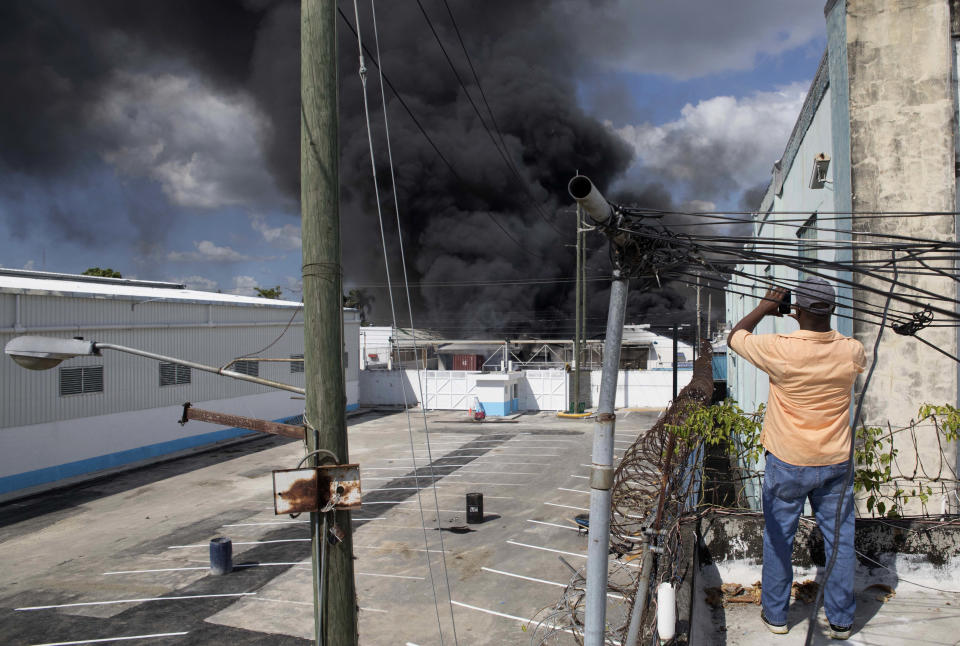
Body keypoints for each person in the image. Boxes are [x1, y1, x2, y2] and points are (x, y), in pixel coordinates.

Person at [727, 277, 865, 640]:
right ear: (832, 309)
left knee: (778, 538)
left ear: (796, 311)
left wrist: (765, 307)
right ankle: (841, 621)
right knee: (840, 541)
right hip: (835, 461)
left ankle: (776, 616)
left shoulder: (779, 348)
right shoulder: (852, 350)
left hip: (787, 460)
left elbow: (735, 336)